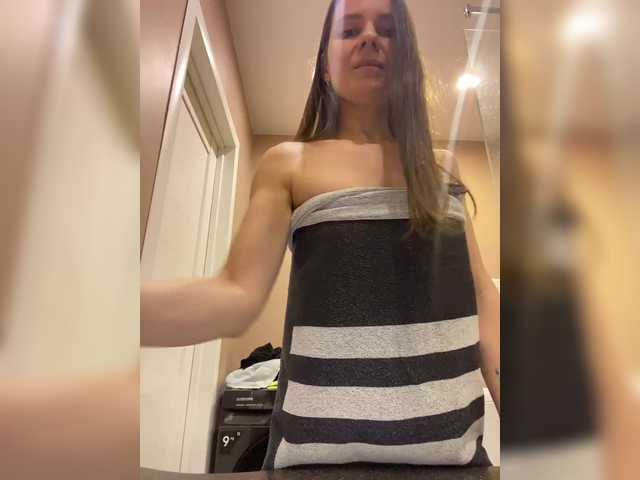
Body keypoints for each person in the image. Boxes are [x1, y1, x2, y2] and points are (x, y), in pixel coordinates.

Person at [141, 0, 500, 470]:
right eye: (350, 30)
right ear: (325, 66)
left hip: (451, 462)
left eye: (387, 29)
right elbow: (235, 295)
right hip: (314, 462)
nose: (369, 37)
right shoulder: (288, 163)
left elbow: (484, 303)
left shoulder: (441, 169)